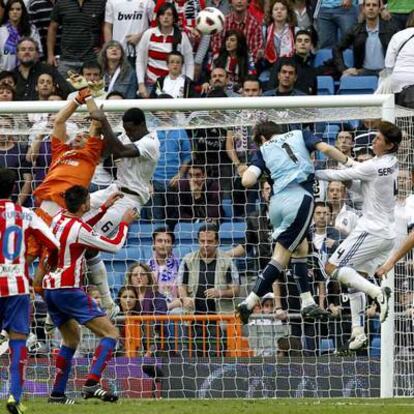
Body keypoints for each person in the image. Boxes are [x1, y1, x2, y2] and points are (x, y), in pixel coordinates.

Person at [236, 120, 360, 324]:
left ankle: (307, 302)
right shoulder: (300, 134)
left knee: (302, 248)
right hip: (299, 199)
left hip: (276, 205)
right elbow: (327, 148)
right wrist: (350, 163)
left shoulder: (263, 151)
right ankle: (248, 303)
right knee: (280, 258)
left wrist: (263, 172)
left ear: (262, 139)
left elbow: (247, 181)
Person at [43, 185, 138, 404]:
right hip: (68, 290)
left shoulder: (58, 218)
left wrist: (104, 208)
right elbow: (114, 246)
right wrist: (124, 223)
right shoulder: (78, 228)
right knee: (111, 334)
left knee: (70, 340)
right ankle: (92, 383)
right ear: (85, 204)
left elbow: (82, 229)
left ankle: (57, 394)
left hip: (51, 289)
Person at [315, 121, 402, 351]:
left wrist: (309, 172)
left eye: (379, 140)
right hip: (387, 233)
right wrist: (348, 171)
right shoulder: (391, 163)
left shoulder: (372, 167)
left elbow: (339, 173)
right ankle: (357, 331)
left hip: (371, 229)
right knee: (355, 276)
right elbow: (359, 184)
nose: (374, 141)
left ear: (390, 145)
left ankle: (377, 293)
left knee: (332, 268)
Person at [0, 167, 59, 414]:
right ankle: (14, 395)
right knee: (18, 341)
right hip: (17, 286)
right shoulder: (25, 214)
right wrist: (45, 267)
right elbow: (53, 244)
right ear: (14, 188)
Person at [136, 3, 194, 98]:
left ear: (174, 18)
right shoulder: (149, 34)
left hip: (176, 84)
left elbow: (189, 62)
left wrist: (188, 85)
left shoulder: (182, 37)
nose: (165, 17)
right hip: (152, 84)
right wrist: (141, 84)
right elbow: (140, 61)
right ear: (158, 17)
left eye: (169, 14)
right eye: (162, 14)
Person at [333, 0, 398, 77]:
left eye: (374, 5)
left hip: (385, 72)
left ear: (379, 9)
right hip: (363, 71)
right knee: (345, 77)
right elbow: (337, 48)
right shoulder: (356, 29)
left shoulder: (390, 28)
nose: (371, 8)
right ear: (363, 8)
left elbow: (403, 46)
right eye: (368, 5)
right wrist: (343, 69)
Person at [0, 0, 42, 71]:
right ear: (7, 12)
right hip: (6, 75)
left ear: (23, 11)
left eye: (18, 9)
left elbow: (38, 52)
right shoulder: (1, 31)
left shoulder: (32, 29)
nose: (15, 12)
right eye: (11, 9)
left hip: (28, 73)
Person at [147, 227, 182, 313]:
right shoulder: (146, 268)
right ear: (153, 243)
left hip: (174, 307)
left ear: (172, 245)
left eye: (167, 241)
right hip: (151, 308)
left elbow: (184, 296)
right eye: (159, 241)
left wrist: (167, 306)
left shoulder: (180, 265)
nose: (163, 244)